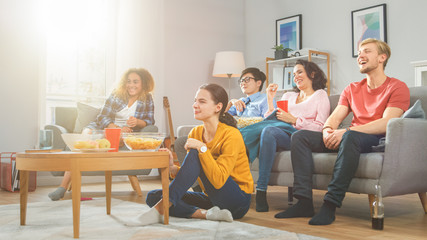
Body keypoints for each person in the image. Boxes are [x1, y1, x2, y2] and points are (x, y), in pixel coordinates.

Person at [275, 38, 410, 225]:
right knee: (300, 136)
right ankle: (303, 201)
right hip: (350, 138)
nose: (360, 55)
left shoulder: (396, 87)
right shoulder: (352, 88)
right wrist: (327, 131)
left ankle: (330, 205)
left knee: (351, 136)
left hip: (374, 139)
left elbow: (387, 122)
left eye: (367, 51)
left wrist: (346, 131)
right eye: (359, 52)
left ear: (382, 57)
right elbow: (335, 117)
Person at [127, 83, 253, 226]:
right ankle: (207, 214)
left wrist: (202, 148)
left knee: (195, 153)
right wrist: (172, 168)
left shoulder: (232, 135)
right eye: (195, 100)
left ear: (218, 107)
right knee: (153, 196)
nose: (195, 105)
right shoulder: (196, 133)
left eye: (202, 101)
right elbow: (194, 171)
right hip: (212, 199)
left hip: (237, 201)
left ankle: (161, 209)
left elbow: (218, 180)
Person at [48, 68, 156, 201]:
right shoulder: (117, 94)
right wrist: (115, 128)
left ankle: (65, 187)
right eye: (128, 81)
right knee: (84, 139)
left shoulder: (147, 98)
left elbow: (150, 121)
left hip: (126, 134)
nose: (131, 85)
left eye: (135, 82)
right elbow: (102, 116)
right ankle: (63, 187)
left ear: (143, 83)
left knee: (115, 140)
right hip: (104, 127)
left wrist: (138, 122)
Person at [174, 67, 268, 191]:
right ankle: (198, 199)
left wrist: (201, 147)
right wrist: (231, 102)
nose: (243, 82)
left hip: (247, 135)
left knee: (196, 153)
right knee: (182, 142)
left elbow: (268, 119)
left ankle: (174, 199)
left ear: (259, 82)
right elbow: (222, 116)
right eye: (241, 80)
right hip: (227, 131)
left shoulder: (264, 99)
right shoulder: (239, 102)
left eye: (247, 79)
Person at [255, 60, 330, 212]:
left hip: (302, 139)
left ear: (312, 74)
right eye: (294, 74)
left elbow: (321, 127)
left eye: (300, 72)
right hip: (283, 134)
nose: (296, 76)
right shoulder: (288, 95)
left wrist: (295, 120)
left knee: (271, 131)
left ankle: (261, 190)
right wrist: (270, 100)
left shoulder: (320, 95)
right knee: (268, 130)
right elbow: (273, 118)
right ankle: (261, 191)